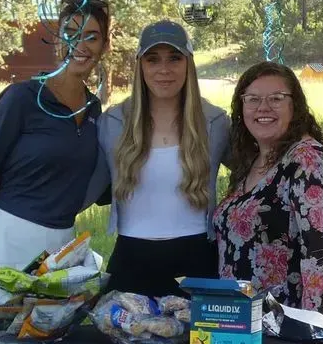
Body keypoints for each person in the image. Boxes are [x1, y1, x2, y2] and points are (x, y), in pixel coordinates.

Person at [0, 0, 110, 267]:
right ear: (57, 40)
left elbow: (97, 182)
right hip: (6, 240)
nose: (80, 45)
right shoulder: (22, 98)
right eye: (71, 34)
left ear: (104, 46)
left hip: (61, 247)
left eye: (91, 37)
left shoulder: (94, 108)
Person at [214, 61, 323, 334]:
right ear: (241, 108)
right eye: (253, 99)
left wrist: (311, 334)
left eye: (276, 99)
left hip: (291, 327)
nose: (263, 108)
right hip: (245, 324)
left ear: (296, 107)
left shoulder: (310, 161)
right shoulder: (251, 162)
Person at [88, 20, 230, 299]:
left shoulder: (215, 122)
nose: (164, 70)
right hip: (131, 259)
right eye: (153, 60)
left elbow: (256, 169)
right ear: (140, 65)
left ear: (188, 63)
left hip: (198, 262)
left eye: (174, 58)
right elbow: (84, 183)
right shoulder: (112, 122)